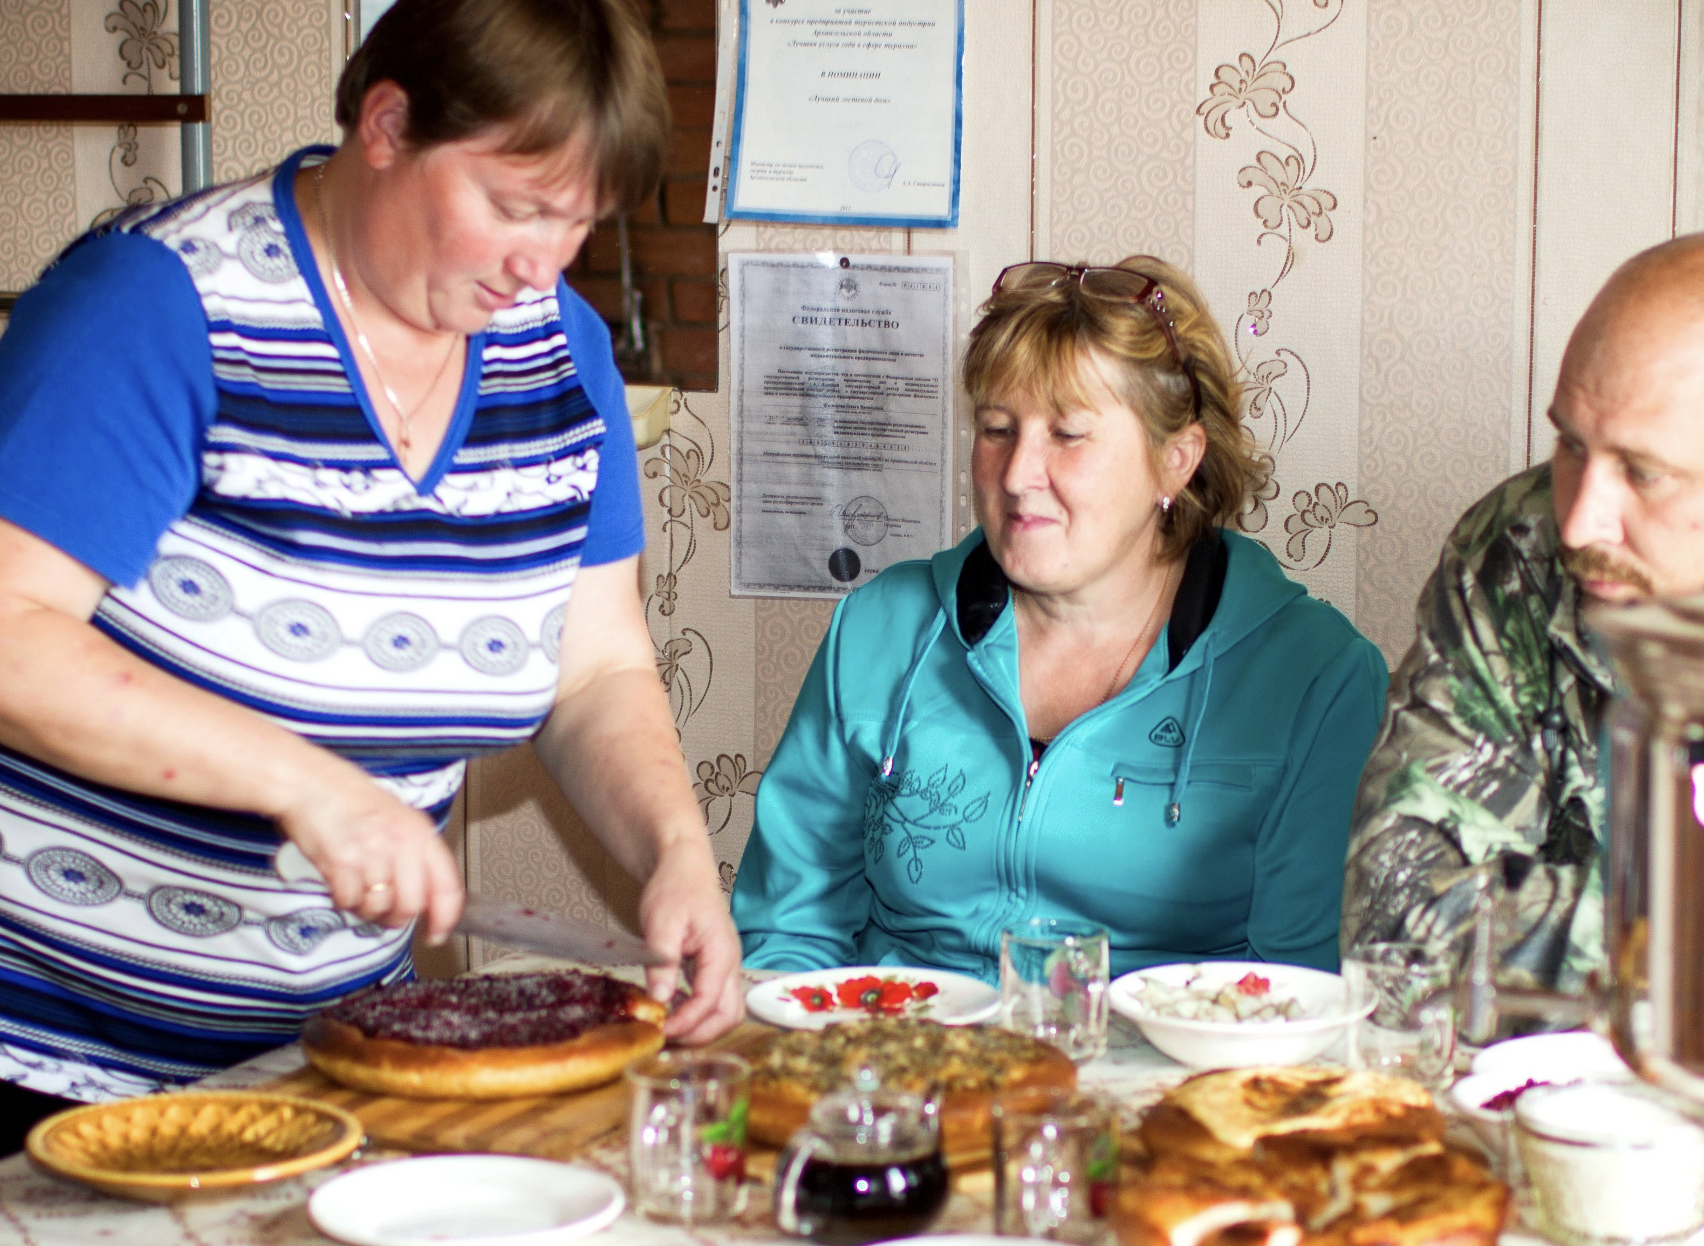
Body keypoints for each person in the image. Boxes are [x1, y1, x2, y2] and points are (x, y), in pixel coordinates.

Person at [0, 0, 742, 1143]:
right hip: (49, 1057)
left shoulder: (560, 352)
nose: (541, 264)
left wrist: (676, 857)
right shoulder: (159, 307)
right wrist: (310, 784)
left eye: (578, 223)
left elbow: (593, 669)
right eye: (513, 206)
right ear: (387, 125)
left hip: (322, 1064)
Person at [730, 257, 1389, 978]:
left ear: (1177, 459)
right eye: (996, 429)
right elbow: (787, 933)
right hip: (906, 1062)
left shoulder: (1317, 676)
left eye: (1068, 434)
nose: (1015, 475)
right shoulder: (879, 631)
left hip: (1169, 1078)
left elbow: (1297, 991)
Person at [1341, 232, 1704, 997]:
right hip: (1587, 1102)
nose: (1581, 523)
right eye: (1573, 445)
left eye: (1646, 473)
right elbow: (1395, 916)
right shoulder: (1522, 547)